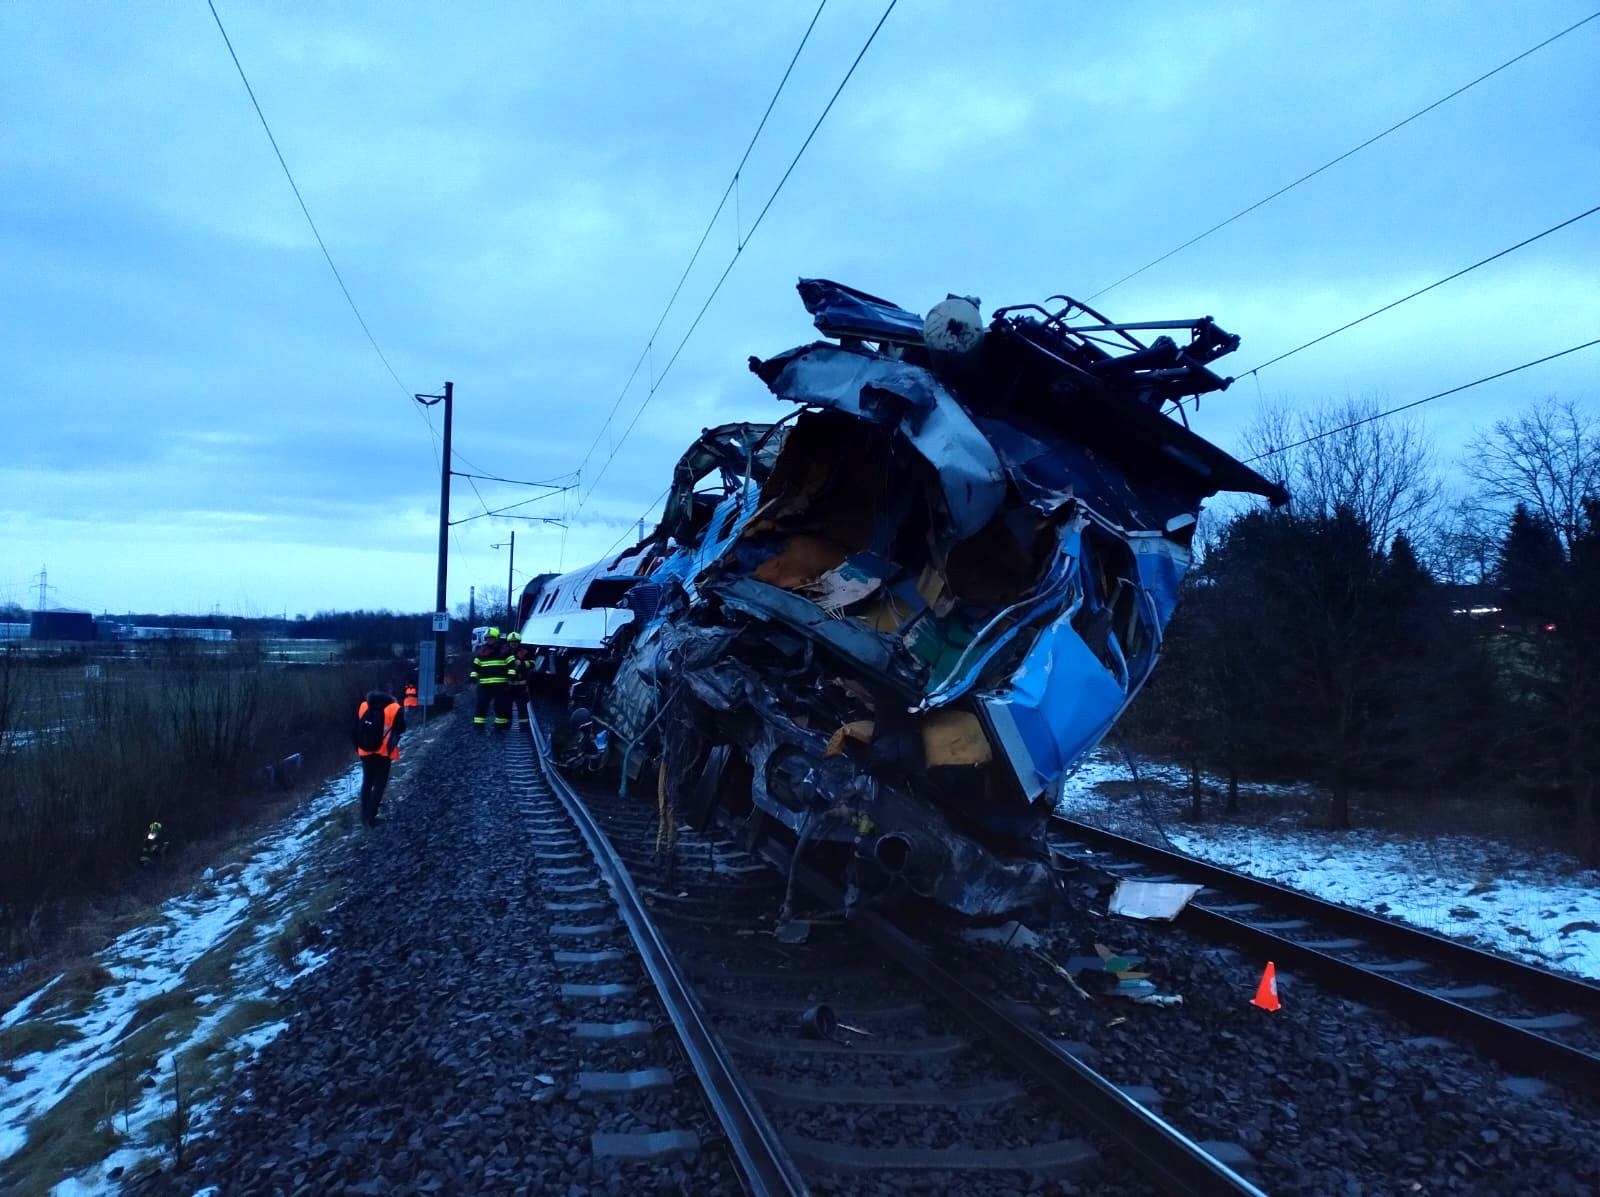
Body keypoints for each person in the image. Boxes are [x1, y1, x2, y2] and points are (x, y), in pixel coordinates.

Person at [353, 689, 405, 827]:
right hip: (382, 753)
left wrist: (357, 748)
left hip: (365, 752)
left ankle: (364, 815)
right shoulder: (394, 708)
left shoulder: (364, 705)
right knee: (379, 784)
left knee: (367, 782)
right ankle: (371, 817)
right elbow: (401, 728)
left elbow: (356, 727)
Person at [470, 627, 515, 733]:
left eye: (491, 638)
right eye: (488, 638)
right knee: (481, 704)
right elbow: (476, 666)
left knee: (500, 705)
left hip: (500, 684)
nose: (489, 640)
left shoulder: (505, 652)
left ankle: (499, 727)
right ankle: (478, 727)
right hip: (484, 685)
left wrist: (511, 676)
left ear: (496, 638)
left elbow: (511, 665)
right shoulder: (481, 653)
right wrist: (473, 676)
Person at [506, 632, 531, 731]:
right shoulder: (504, 653)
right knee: (506, 707)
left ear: (519, 642)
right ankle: (507, 726)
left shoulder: (525, 652)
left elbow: (532, 663)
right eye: (511, 642)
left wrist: (522, 663)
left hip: (521, 686)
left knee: (522, 707)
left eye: (515, 642)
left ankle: (524, 727)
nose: (513, 643)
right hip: (507, 686)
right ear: (508, 642)